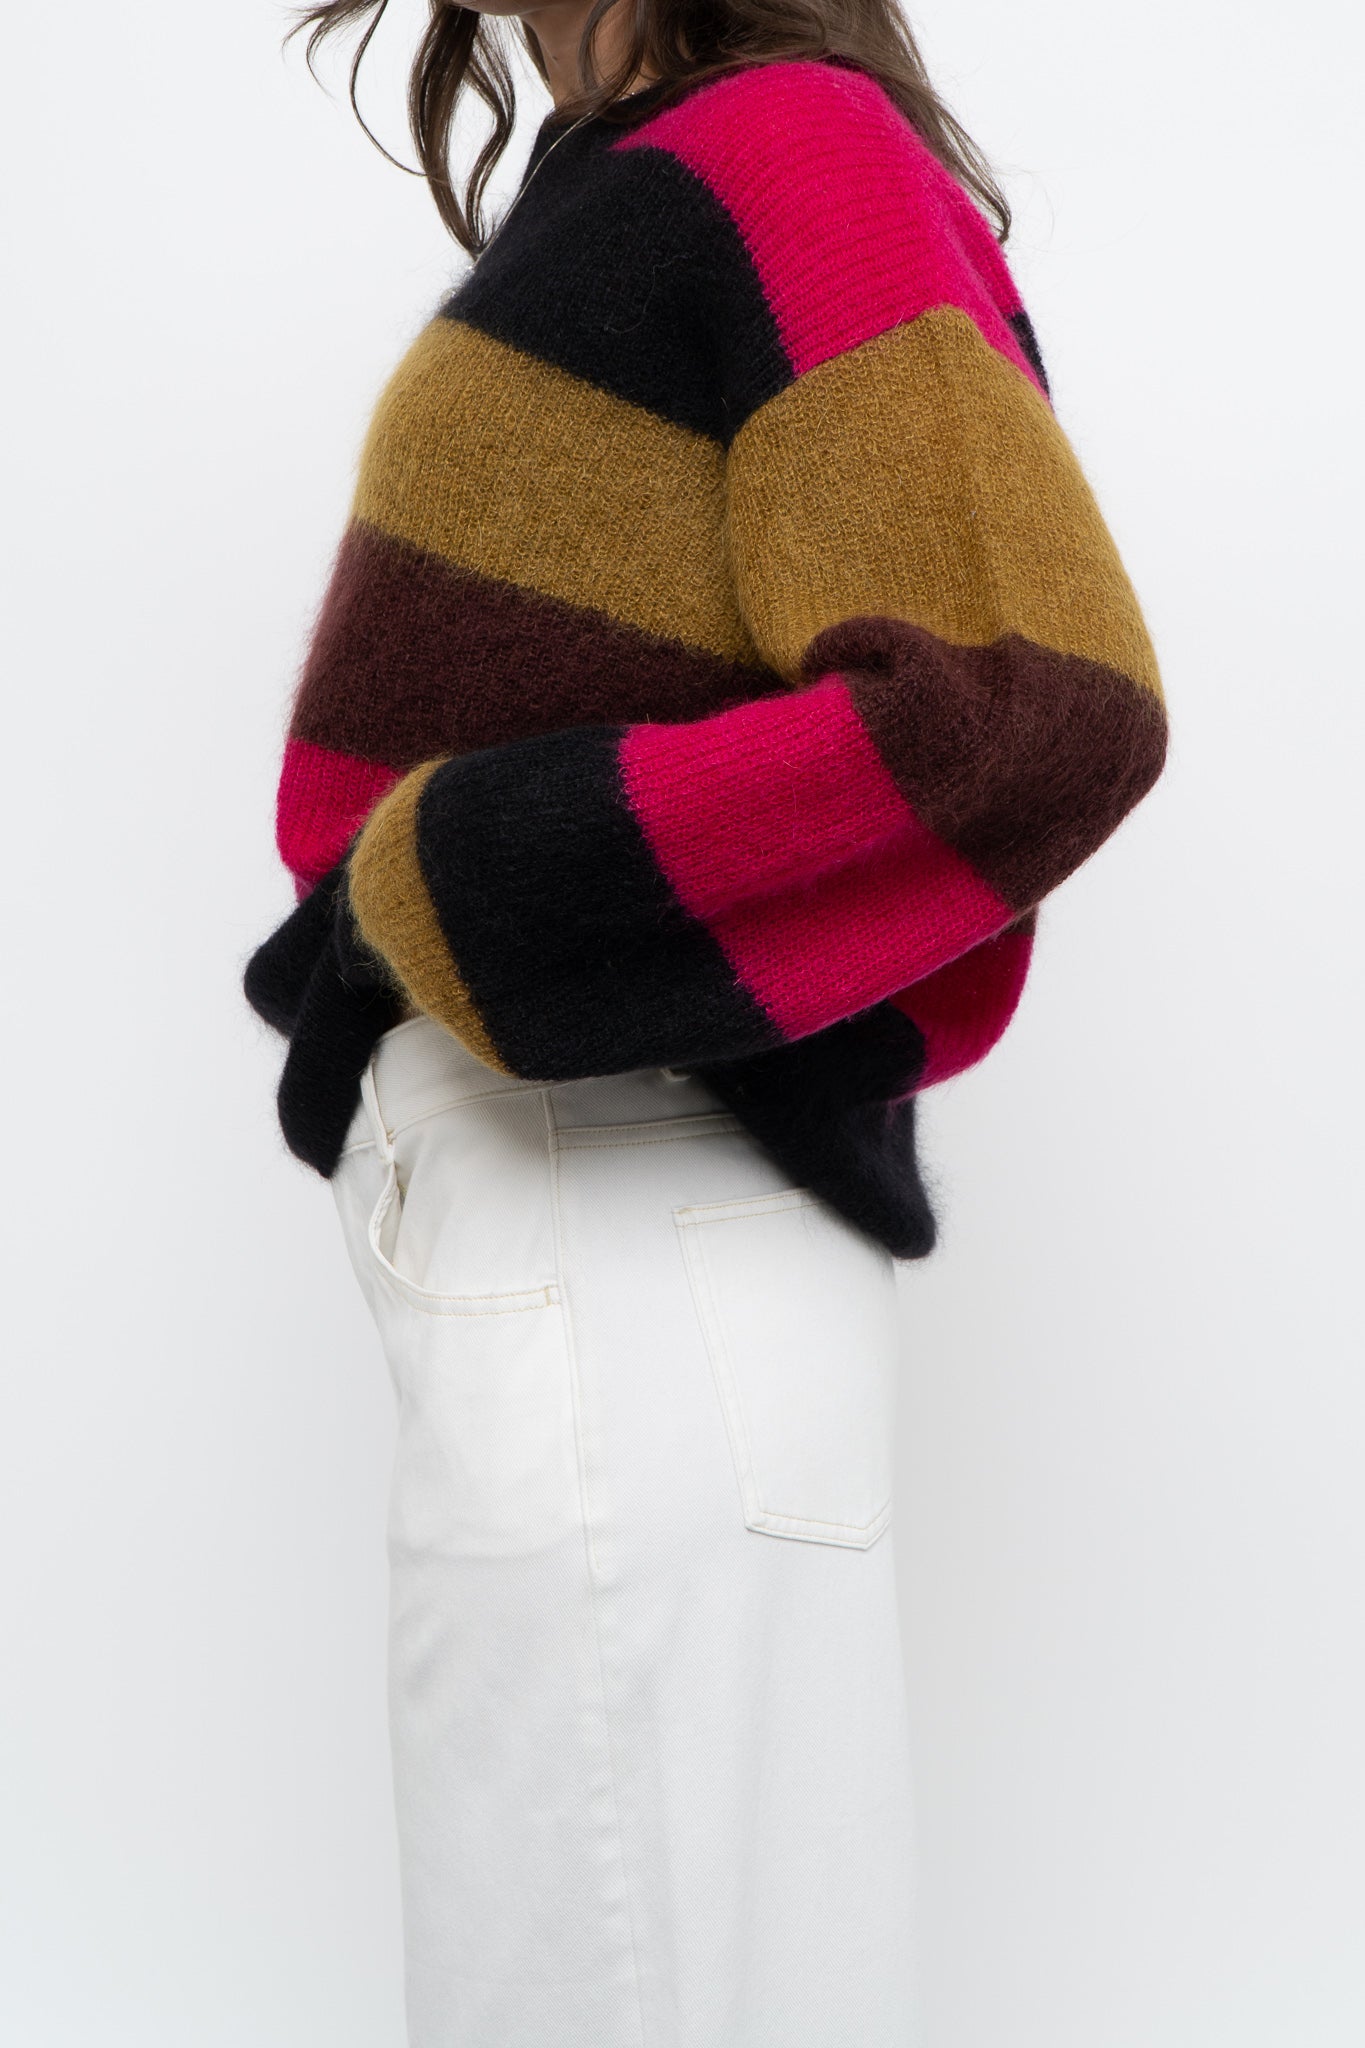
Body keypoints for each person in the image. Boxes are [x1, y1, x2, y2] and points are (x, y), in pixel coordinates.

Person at [244, 0, 1167, 2039]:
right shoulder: (641, 171)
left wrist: (456, 881)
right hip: (605, 1249)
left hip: (615, 1236)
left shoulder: (783, 149)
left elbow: (1026, 704)